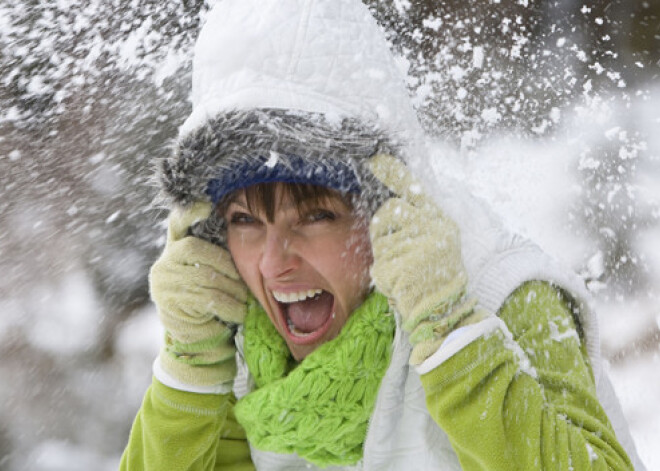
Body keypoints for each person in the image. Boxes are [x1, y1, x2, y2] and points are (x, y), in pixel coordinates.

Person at [120, 0, 645, 469]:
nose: (274, 263)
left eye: (314, 216)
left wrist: (452, 338)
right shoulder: (242, 341)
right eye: (245, 222)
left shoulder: (501, 296)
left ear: (384, 210)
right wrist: (189, 372)